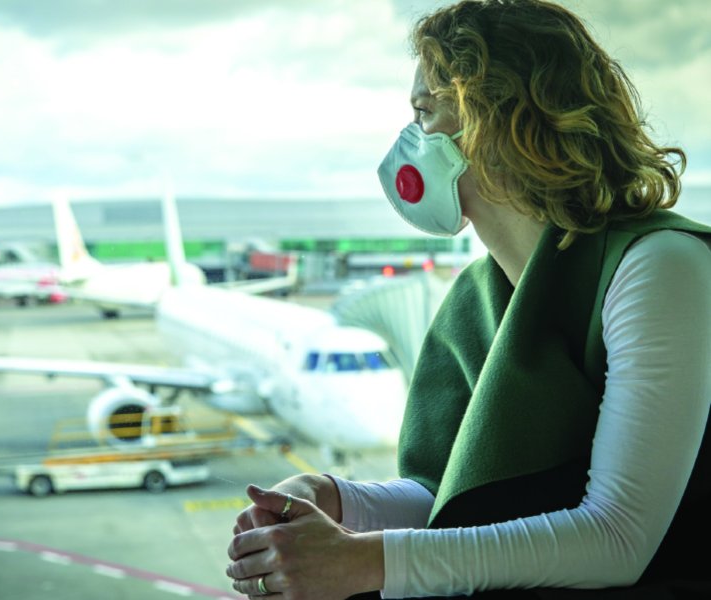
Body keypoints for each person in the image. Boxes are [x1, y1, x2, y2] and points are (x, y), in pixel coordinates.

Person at [225, 0, 711, 598]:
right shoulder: (476, 296)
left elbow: (616, 538)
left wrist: (364, 564)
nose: (410, 139)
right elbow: (455, 496)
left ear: (497, 121)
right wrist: (332, 499)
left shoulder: (659, 267)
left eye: (424, 112)